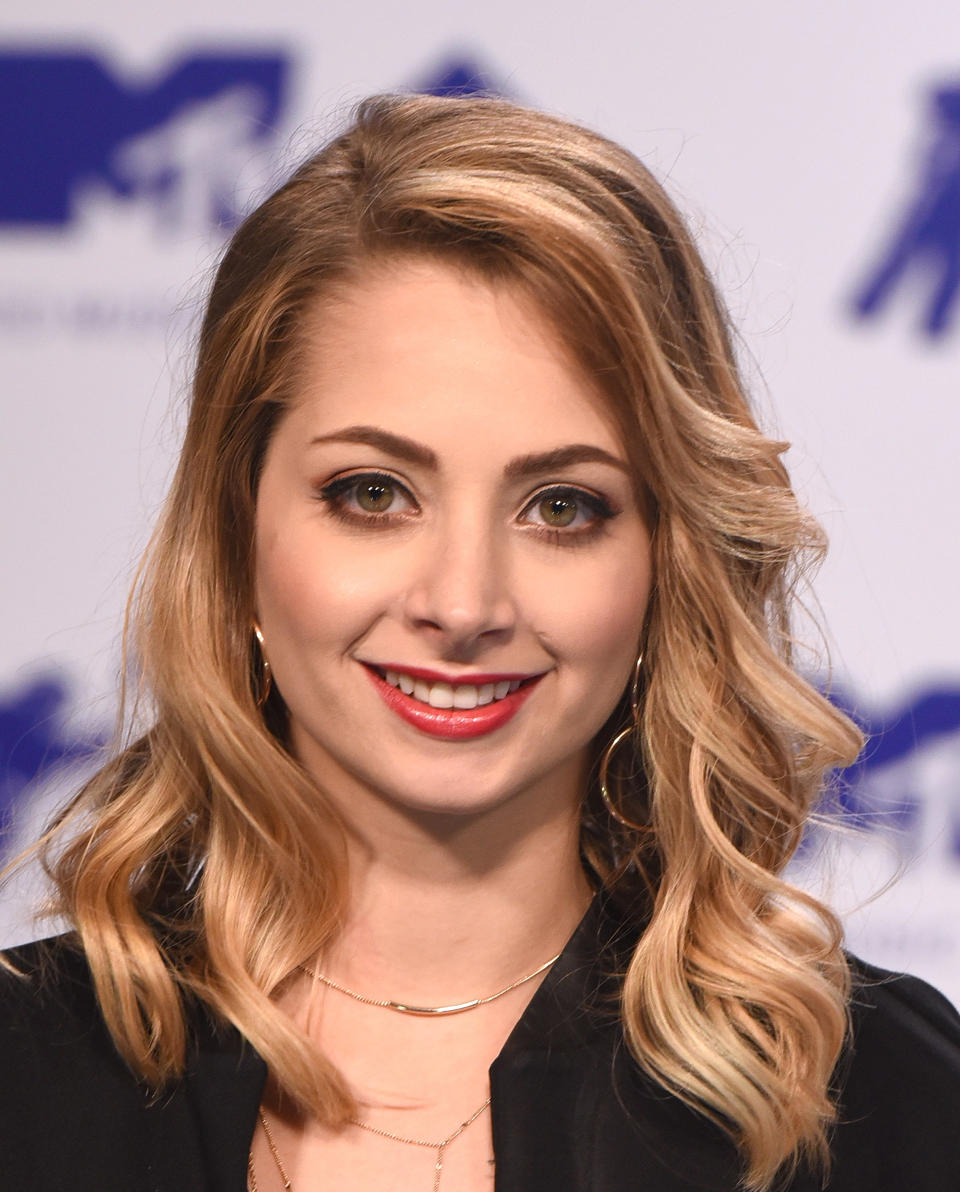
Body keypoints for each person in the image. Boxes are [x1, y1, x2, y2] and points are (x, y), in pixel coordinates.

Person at [2, 92, 959, 1192]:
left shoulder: (887, 1101)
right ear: (237, 534)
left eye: (562, 506)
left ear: (666, 561)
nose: (463, 605)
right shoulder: (24, 1075)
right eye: (373, 492)